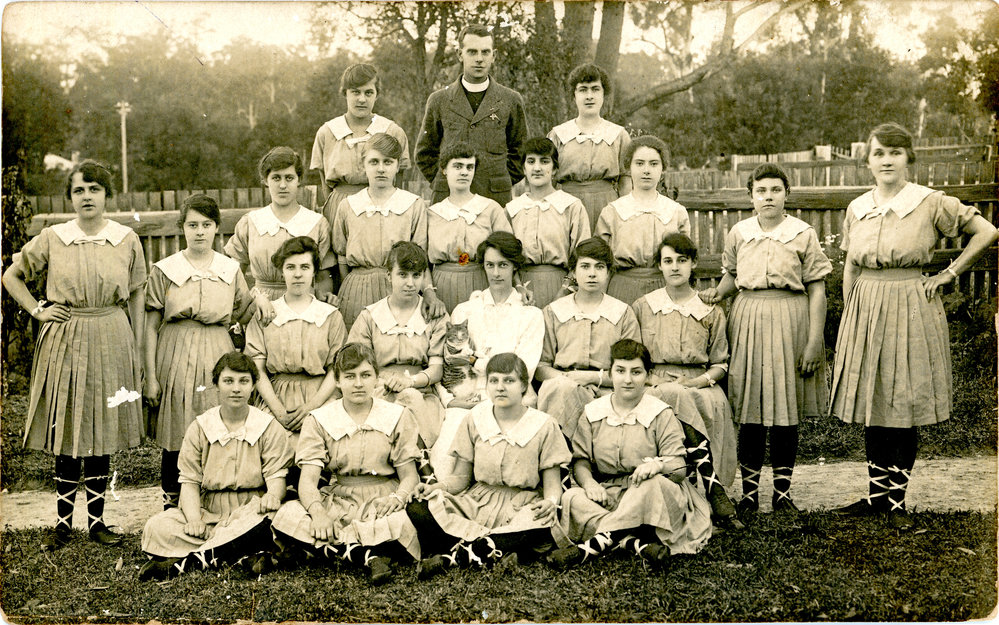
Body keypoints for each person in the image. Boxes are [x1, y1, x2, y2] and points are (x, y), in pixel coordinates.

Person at [828, 122, 997, 528]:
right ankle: (875, 498)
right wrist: (851, 311)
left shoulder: (929, 201)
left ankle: (896, 502)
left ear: (908, 158)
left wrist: (948, 274)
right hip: (865, 305)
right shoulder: (858, 207)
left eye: (895, 153)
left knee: (900, 402)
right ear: (867, 161)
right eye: (879, 153)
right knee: (874, 400)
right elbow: (851, 263)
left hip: (909, 304)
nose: (887, 160)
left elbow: (987, 231)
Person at [2, 160, 146, 550]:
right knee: (68, 426)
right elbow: (10, 276)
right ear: (70, 196)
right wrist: (37, 310)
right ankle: (63, 524)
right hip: (65, 335)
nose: (87, 197)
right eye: (79, 190)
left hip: (112, 333)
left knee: (100, 428)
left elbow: (135, 295)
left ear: (106, 195)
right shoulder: (53, 237)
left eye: (94, 189)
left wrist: (136, 347)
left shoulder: (125, 238)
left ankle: (97, 522)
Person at [701, 163, 832, 515]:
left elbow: (817, 289)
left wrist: (813, 341)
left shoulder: (803, 232)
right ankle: (749, 495)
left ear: (786, 194)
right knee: (751, 411)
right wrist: (716, 294)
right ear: (751, 197)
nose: (768, 196)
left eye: (775, 189)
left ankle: (782, 495)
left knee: (786, 411)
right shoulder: (739, 232)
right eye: (761, 191)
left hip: (792, 320)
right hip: (748, 319)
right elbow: (731, 276)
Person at [547, 339, 712, 569]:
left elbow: (680, 468)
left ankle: (589, 548)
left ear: (647, 375)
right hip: (611, 493)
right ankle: (634, 544)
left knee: (650, 485)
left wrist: (658, 466)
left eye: (636, 372)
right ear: (610, 373)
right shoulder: (593, 412)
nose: (627, 379)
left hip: (655, 494)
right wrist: (590, 483)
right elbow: (581, 461)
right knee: (571, 498)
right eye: (620, 371)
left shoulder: (660, 413)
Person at [406, 353, 570, 578]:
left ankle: (451, 557)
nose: (500, 387)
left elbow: (552, 485)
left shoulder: (543, 425)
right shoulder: (475, 419)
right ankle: (497, 550)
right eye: (494, 381)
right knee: (419, 507)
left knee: (538, 525)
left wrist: (551, 502)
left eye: (509, 381)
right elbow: (461, 479)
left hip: (522, 504)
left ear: (523, 385)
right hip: (478, 502)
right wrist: (436, 488)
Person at [271, 343, 421, 584]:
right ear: (338, 382)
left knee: (402, 522)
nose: (358, 384)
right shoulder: (319, 419)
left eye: (365, 375)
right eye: (350, 377)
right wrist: (319, 513)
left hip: (383, 499)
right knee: (287, 515)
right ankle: (369, 556)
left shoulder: (396, 415)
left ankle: (330, 550)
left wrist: (396, 498)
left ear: (376, 378)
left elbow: (409, 476)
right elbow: (308, 481)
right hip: (339, 499)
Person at [144, 194, 256, 509]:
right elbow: (150, 326)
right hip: (176, 350)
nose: (199, 232)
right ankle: (172, 503)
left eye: (206, 225)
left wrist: (257, 301)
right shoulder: (166, 269)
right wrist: (150, 377)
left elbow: (240, 315)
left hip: (217, 350)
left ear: (216, 229)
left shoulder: (229, 268)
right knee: (178, 430)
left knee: (214, 424)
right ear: (182, 228)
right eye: (192, 225)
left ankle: (210, 502)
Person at [139, 352, 292, 580]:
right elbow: (189, 481)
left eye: (244, 381)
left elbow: (276, 478)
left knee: (266, 523)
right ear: (217, 385)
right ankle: (239, 553)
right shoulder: (200, 427)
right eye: (228, 381)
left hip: (251, 509)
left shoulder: (267, 427)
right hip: (209, 510)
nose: (236, 389)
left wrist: (272, 497)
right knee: (157, 527)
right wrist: (193, 520)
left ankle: (187, 563)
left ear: (253, 386)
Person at [632, 233, 740, 526]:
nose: (675, 267)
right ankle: (713, 488)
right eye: (668, 261)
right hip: (653, 382)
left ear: (693, 264)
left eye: (682, 260)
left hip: (699, 382)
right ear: (659, 266)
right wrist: (654, 383)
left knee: (688, 397)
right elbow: (634, 360)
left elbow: (720, 364)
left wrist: (694, 383)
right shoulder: (644, 306)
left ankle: (707, 487)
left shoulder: (710, 309)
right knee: (670, 395)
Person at [534, 237, 641, 441]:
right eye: (585, 266)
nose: (592, 273)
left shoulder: (622, 313)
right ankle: (560, 462)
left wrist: (591, 378)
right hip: (562, 388)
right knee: (559, 390)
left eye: (599, 267)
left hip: (609, 389)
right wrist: (567, 381)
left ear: (609, 273)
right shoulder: (553, 312)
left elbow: (633, 370)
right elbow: (540, 366)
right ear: (573, 272)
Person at [244, 237, 346, 446]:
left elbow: (335, 370)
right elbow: (257, 370)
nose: (298, 274)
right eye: (290, 267)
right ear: (282, 271)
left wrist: (312, 407)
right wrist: (279, 412)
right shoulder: (267, 313)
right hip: (276, 398)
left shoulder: (330, 315)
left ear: (314, 272)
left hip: (319, 397)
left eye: (305, 267)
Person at [347, 241, 447, 450]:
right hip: (376, 390)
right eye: (402, 275)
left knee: (410, 401)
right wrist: (382, 383)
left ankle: (420, 462)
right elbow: (356, 365)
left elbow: (436, 369)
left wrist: (410, 382)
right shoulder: (370, 317)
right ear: (388, 276)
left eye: (416, 275)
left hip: (421, 392)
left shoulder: (434, 316)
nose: (410, 283)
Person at [415, 23, 528, 206]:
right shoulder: (439, 100)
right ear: (460, 54)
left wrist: (500, 181)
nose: (479, 59)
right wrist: (445, 181)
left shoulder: (510, 100)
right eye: (472, 52)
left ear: (494, 56)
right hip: (449, 199)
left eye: (485, 52)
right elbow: (424, 153)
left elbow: (521, 152)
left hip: (494, 199)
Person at [225, 146, 334, 323]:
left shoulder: (317, 223)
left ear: (299, 180)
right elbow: (234, 273)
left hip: (303, 307)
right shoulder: (251, 222)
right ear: (265, 180)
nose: (283, 185)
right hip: (261, 307)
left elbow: (323, 276)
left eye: (289, 178)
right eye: (276, 178)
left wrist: (321, 299)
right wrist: (251, 301)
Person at [332, 133, 429, 330]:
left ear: (397, 165)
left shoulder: (413, 205)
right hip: (357, 290)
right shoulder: (348, 206)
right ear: (363, 164)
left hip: (400, 289)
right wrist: (352, 286)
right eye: (374, 162)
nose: (381, 169)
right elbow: (341, 256)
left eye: (388, 162)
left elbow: (421, 257)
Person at [447, 232, 545, 408]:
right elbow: (453, 363)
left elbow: (522, 372)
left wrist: (476, 362)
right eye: (490, 265)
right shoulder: (464, 311)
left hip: (514, 400)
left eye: (503, 265)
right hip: (467, 397)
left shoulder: (531, 315)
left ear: (514, 266)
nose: (496, 273)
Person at [309, 63, 411, 228]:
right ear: (345, 93)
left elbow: (398, 180)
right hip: (340, 206)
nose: (362, 99)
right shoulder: (327, 132)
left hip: (382, 205)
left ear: (377, 95)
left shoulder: (392, 131)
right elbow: (325, 184)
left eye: (369, 92)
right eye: (355, 92)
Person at [595, 135, 691, 305]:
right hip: (622, 289)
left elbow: (685, 260)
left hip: (665, 289)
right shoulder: (612, 212)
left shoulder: (676, 212)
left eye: (654, 164)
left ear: (663, 169)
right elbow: (600, 263)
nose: (646, 170)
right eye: (639, 163)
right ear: (629, 167)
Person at [426, 141, 513, 312]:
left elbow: (508, 253)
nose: (464, 172)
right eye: (457, 166)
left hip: (481, 284)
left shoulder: (490, 208)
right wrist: (430, 294)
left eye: (469, 167)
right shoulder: (432, 213)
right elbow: (422, 262)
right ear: (444, 170)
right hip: (442, 285)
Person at [505, 137, 592, 309]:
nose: (537, 168)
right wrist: (518, 287)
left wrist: (566, 290)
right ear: (524, 168)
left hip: (562, 287)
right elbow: (505, 255)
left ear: (554, 170)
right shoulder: (512, 209)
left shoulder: (571, 206)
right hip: (521, 290)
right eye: (531, 162)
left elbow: (582, 254)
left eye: (544, 162)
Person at [547, 63, 632, 230]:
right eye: (583, 89)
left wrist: (624, 217)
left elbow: (626, 181)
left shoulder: (618, 135)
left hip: (607, 206)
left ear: (604, 94)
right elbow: (549, 181)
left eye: (595, 89)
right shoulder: (557, 135)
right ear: (574, 95)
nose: (589, 96)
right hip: (566, 206)